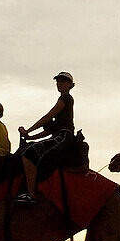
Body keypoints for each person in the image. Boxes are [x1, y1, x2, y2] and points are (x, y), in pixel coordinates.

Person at [18, 72, 75, 201]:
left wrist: (28, 131)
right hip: (58, 135)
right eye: (58, 81)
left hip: (64, 137)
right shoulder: (64, 101)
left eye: (63, 81)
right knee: (29, 147)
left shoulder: (66, 98)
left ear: (71, 85)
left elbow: (48, 117)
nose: (60, 84)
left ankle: (30, 193)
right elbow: (49, 130)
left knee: (30, 153)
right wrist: (30, 137)